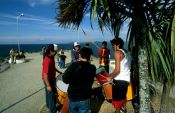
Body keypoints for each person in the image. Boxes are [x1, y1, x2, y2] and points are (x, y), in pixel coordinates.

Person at [62, 47, 96, 113]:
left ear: (80, 55)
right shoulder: (93, 68)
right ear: (90, 56)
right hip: (85, 97)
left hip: (73, 96)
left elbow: (65, 79)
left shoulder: (73, 66)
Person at [107, 38, 131, 113]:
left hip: (119, 81)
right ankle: (124, 110)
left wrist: (110, 77)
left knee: (117, 102)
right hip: (126, 80)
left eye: (113, 45)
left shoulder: (117, 52)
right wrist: (110, 75)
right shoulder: (127, 53)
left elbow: (117, 70)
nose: (112, 47)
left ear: (118, 45)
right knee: (123, 98)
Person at [42, 44, 62, 113]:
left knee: (48, 95)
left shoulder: (51, 57)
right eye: (55, 51)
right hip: (48, 80)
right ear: (51, 51)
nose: (56, 52)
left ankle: (48, 106)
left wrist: (59, 72)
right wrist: (48, 85)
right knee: (52, 96)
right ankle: (52, 110)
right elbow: (45, 74)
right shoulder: (47, 60)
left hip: (51, 79)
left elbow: (53, 67)